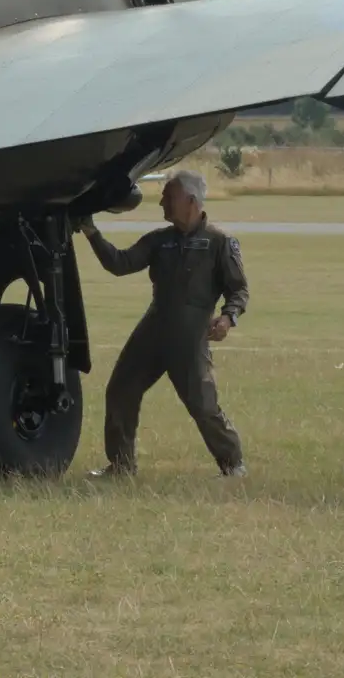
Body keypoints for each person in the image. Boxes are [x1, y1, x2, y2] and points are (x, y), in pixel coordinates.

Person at [76, 170, 249, 478]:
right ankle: (121, 467)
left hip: (190, 337)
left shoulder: (219, 242)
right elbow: (120, 263)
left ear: (191, 202)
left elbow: (238, 289)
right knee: (120, 390)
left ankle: (233, 463)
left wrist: (228, 317)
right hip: (153, 330)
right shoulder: (159, 241)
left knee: (202, 405)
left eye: (169, 197)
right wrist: (91, 232)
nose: (162, 203)